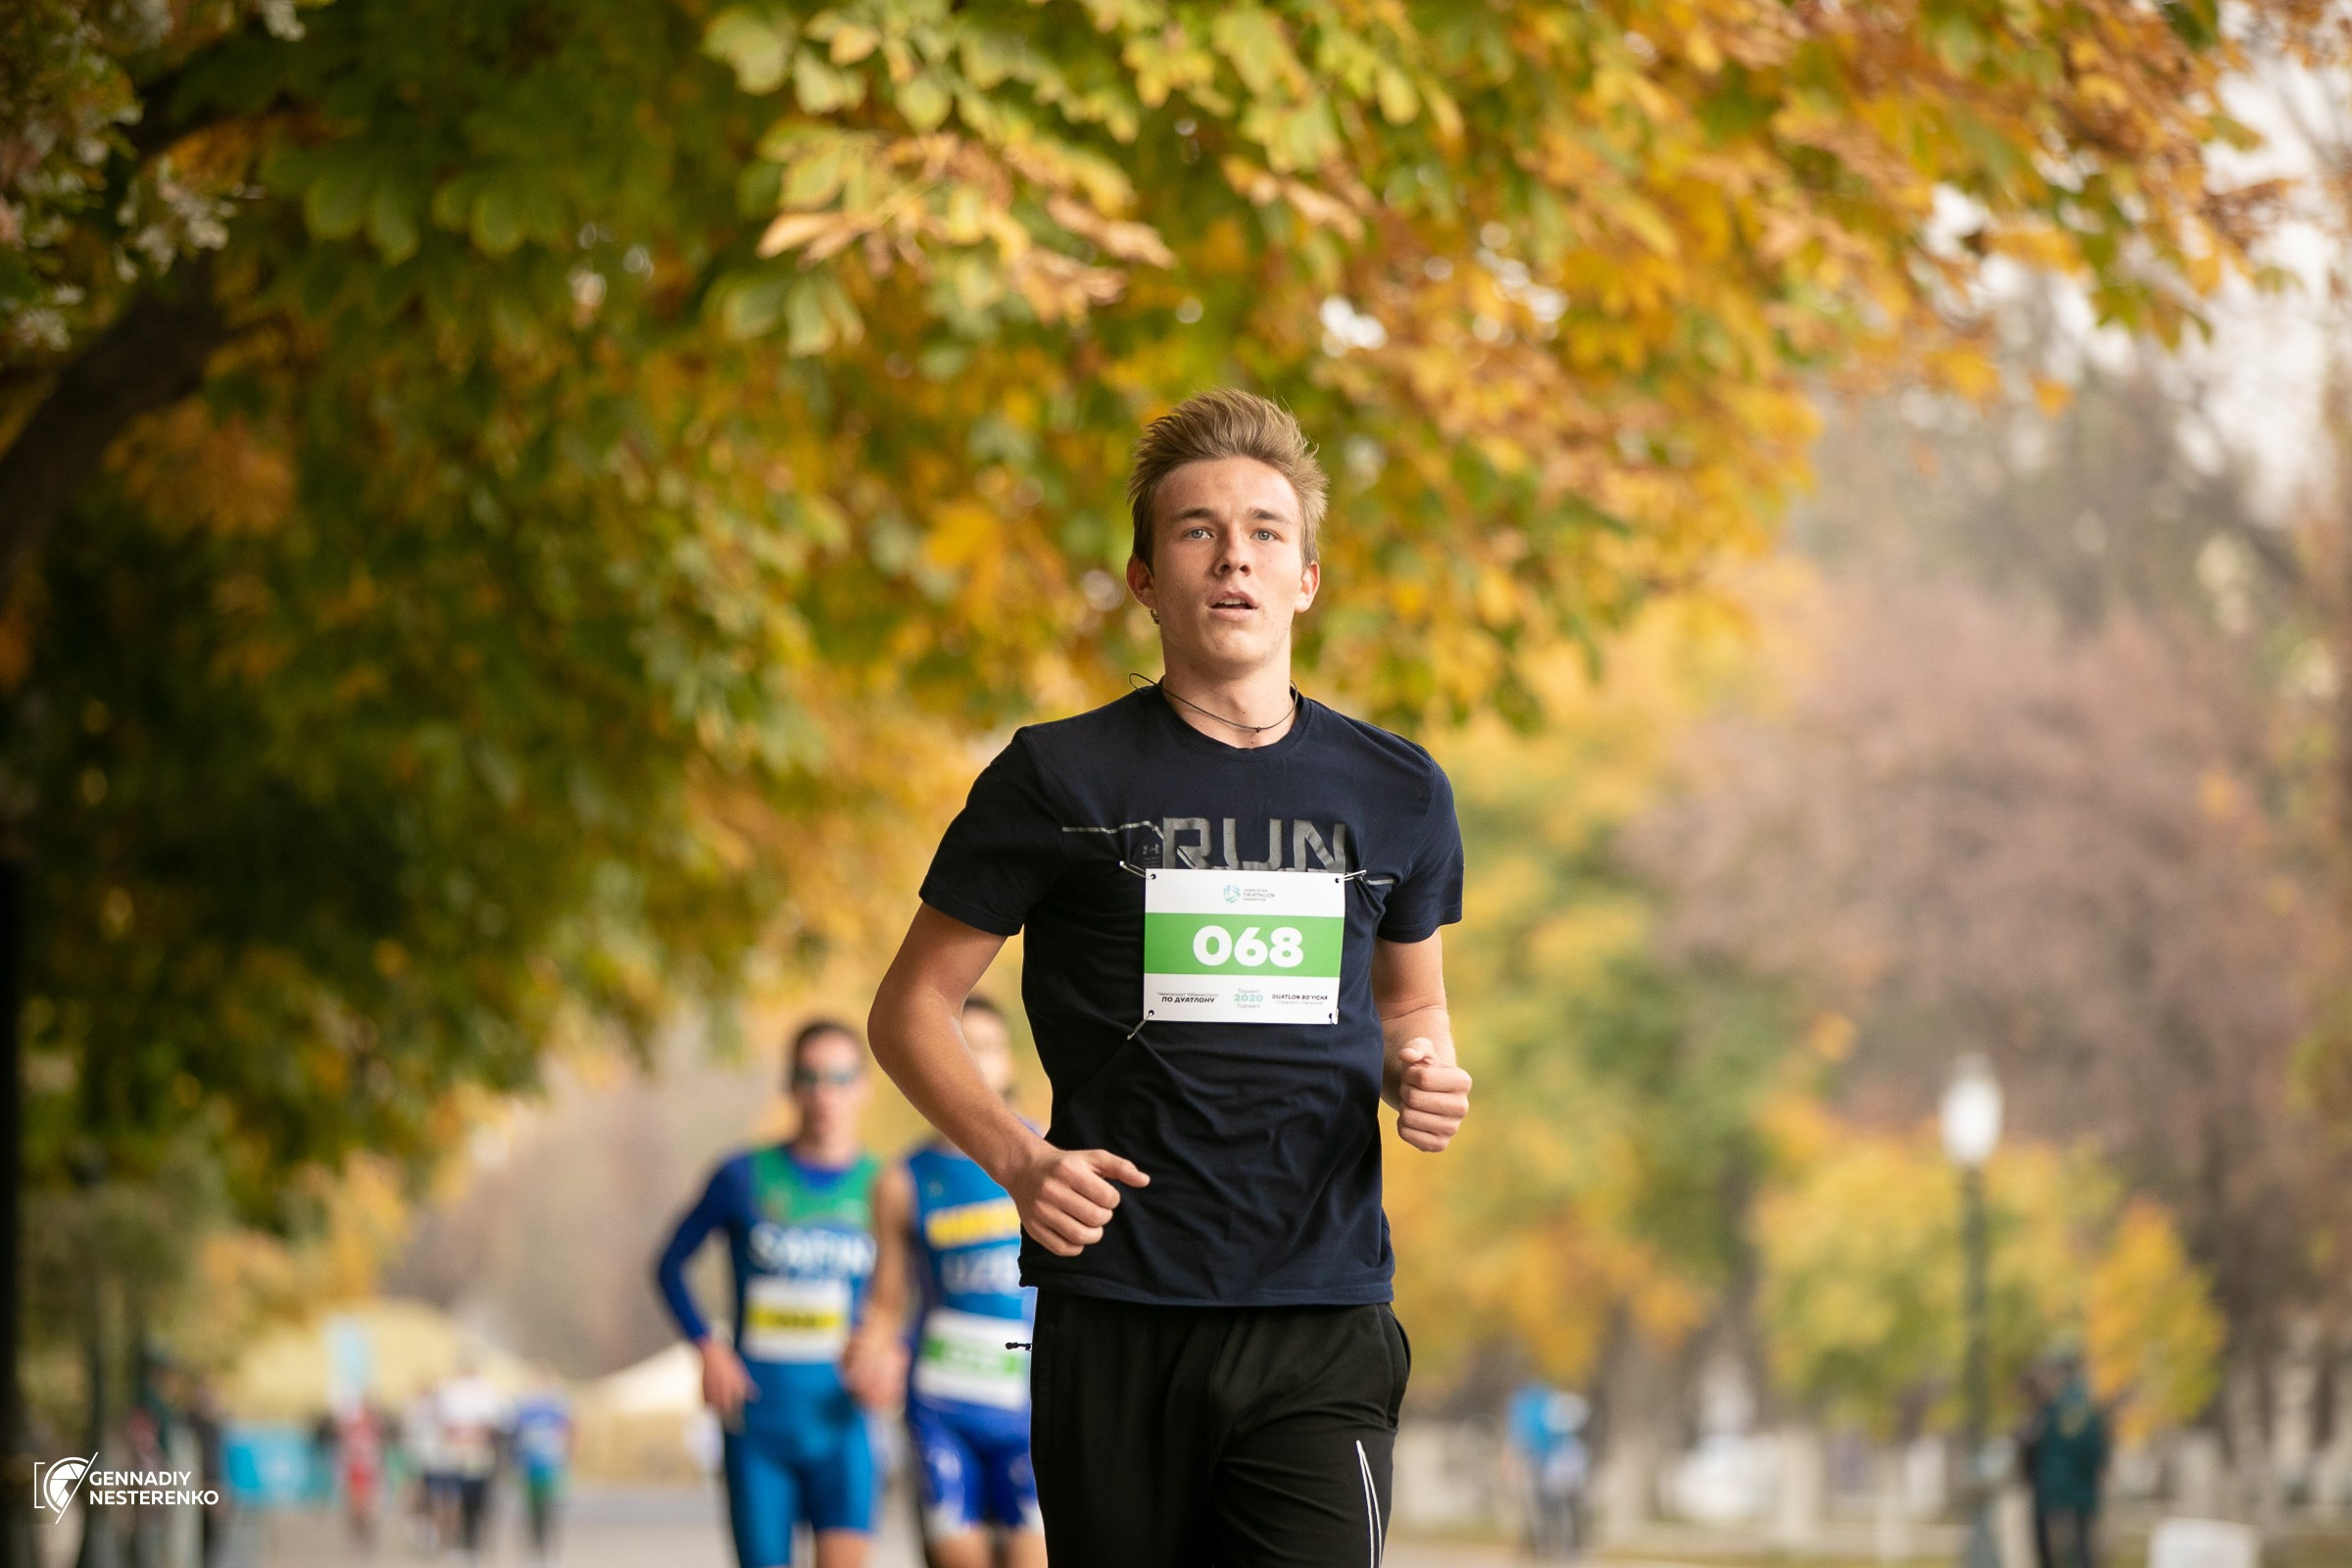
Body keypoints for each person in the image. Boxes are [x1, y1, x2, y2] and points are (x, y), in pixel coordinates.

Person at [868, 388, 1474, 1564]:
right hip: (1119, 1310)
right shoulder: (1058, 778)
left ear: (1307, 576)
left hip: (1322, 1311)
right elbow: (911, 1007)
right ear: (1145, 578)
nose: (1233, 556)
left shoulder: (1398, 790)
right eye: (1197, 530)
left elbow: (1413, 1001)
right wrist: (1018, 1158)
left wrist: (1424, 1069)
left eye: (1265, 531)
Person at [655, 1019, 910, 1568]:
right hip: (758, 1426)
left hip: (844, 1426)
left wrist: (896, 1350)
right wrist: (708, 1347)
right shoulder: (742, 1175)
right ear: (790, 1087)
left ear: (864, 1088)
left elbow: (918, 1286)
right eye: (810, 1078)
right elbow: (669, 1266)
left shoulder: (886, 1182)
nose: (825, 1095)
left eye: (840, 1079)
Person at [894, 996, 1044, 1568]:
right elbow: (887, 1304)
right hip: (941, 1410)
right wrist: (875, 1349)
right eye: (961, 1049)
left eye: (986, 1049)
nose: (975, 1064)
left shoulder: (1054, 1151)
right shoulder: (904, 1180)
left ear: (1008, 1063)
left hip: (1031, 1409)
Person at [2023, 1355, 2108, 1568]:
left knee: (2062, 1550)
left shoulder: (2057, 1408)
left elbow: (2051, 1448)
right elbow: (2096, 1448)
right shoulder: (2085, 1405)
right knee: (2081, 1546)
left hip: (2058, 1488)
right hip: (2081, 1487)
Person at [434, 1357, 511, 1561]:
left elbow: (495, 1424)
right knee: (460, 1500)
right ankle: (464, 1541)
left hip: (479, 1457)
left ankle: (474, 1542)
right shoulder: (452, 1393)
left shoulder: (485, 1392)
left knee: (477, 1500)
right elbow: (446, 1426)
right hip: (459, 1457)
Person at [1505, 1383, 1589, 1559]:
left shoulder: (1567, 1444)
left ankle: (1558, 1546)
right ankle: (1547, 1546)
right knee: (1548, 1512)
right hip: (1550, 1475)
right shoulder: (1562, 1442)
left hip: (1553, 1476)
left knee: (1553, 1513)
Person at [512, 1383, 573, 1559]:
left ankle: (546, 1548)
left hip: (551, 1468)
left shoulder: (557, 1411)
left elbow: (569, 1432)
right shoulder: (525, 1412)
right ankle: (534, 1547)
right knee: (533, 1510)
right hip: (531, 1467)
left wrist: (567, 1455)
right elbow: (517, 1438)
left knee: (550, 1510)